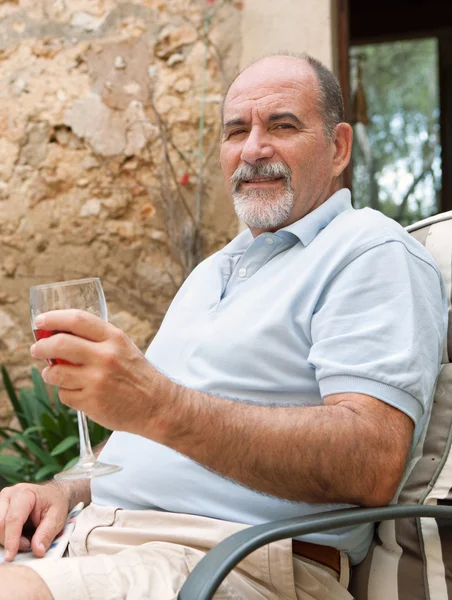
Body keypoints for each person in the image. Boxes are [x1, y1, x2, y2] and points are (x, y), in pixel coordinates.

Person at [0, 53, 447, 600]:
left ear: (338, 148)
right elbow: (142, 448)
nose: (254, 149)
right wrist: (62, 492)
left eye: (282, 125)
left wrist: (158, 404)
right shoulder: (213, 271)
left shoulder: (369, 251)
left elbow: (370, 462)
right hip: (93, 539)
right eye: (237, 130)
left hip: (227, 561)